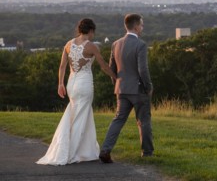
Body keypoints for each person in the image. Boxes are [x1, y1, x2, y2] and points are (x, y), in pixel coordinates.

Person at [36, 18, 116, 165]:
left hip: (71, 84)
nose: (93, 35)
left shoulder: (68, 44)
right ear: (91, 31)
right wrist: (115, 77)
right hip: (84, 84)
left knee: (76, 115)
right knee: (80, 117)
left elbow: (62, 67)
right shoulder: (91, 46)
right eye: (93, 32)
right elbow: (104, 66)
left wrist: (60, 84)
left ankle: (85, 150)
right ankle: (71, 152)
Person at [99, 13, 154, 163]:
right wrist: (148, 87)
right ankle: (147, 152)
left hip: (121, 89)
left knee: (118, 120)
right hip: (138, 90)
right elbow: (143, 70)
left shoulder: (116, 44)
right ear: (136, 27)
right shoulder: (141, 45)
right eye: (141, 25)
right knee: (144, 121)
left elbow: (112, 68)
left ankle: (105, 150)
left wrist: (116, 83)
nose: (142, 28)